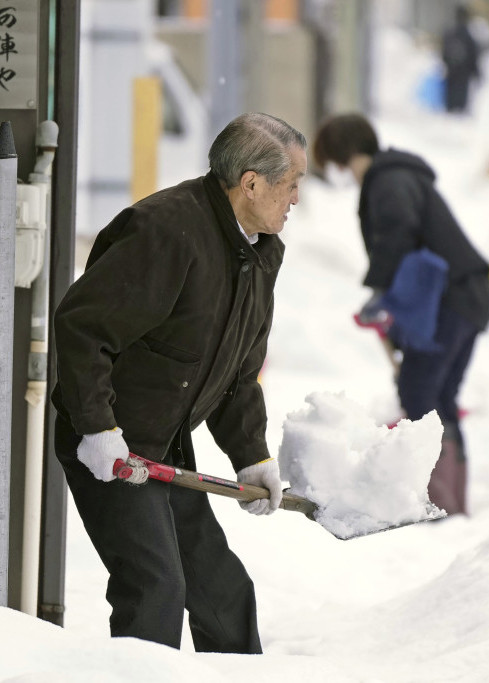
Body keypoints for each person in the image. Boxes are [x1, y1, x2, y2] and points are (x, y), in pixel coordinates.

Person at [51, 112, 308, 652]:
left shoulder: (260, 252)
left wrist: (252, 456)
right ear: (251, 183)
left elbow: (238, 372)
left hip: (164, 442)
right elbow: (84, 328)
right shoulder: (165, 230)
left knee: (223, 595)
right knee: (155, 589)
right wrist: (96, 427)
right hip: (112, 443)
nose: (296, 198)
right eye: (291, 184)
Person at [311, 113, 489, 516]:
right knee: (438, 396)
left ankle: (438, 503)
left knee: (419, 392)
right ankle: (450, 504)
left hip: (451, 299)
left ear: (341, 153)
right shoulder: (397, 176)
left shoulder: (388, 180)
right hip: (465, 296)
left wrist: (379, 290)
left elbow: (397, 231)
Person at [441, 4, 481, 114]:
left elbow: (444, 53)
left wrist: (446, 64)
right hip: (464, 75)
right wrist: (476, 72)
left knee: (451, 105)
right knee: (460, 107)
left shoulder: (449, 33)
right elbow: (473, 55)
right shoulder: (468, 35)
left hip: (452, 73)